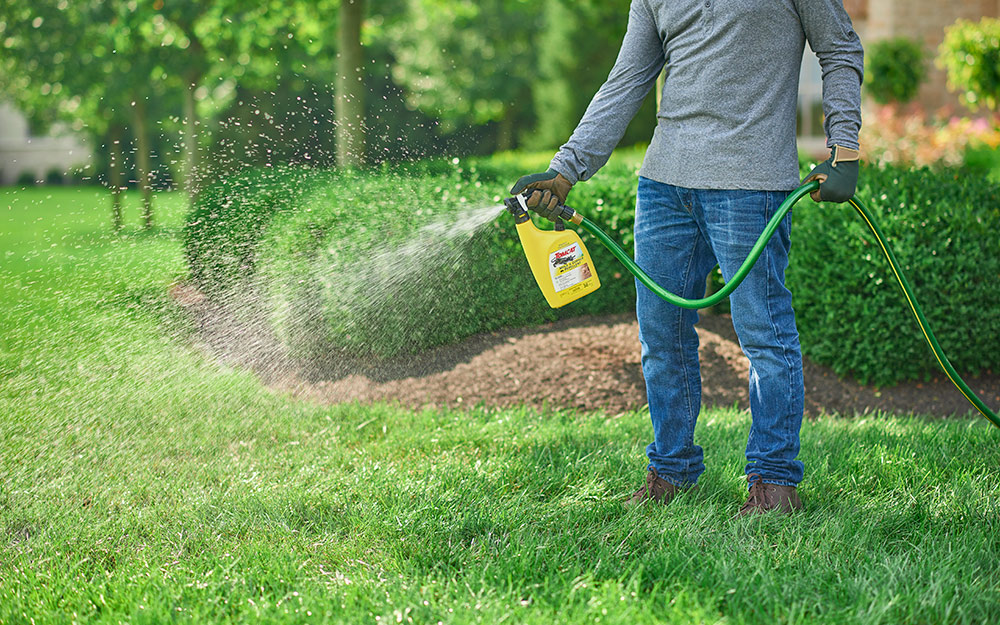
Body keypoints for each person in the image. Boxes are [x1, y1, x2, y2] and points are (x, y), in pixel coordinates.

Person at [511, 0, 863, 515]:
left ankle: (773, 483)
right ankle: (671, 471)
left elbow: (839, 48)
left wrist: (845, 149)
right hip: (664, 187)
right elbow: (628, 77)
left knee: (764, 335)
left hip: (752, 185)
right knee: (661, 335)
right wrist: (566, 171)